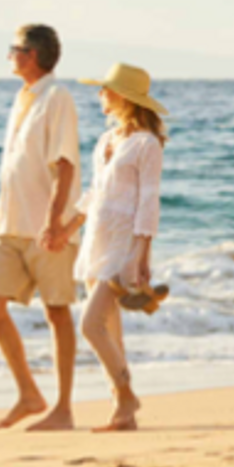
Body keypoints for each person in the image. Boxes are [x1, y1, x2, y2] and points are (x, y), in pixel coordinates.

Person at [0, 23, 82, 431]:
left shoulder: (56, 98)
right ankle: (29, 394)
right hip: (10, 227)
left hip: (47, 228)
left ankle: (63, 408)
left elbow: (65, 165)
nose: (9, 56)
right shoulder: (24, 99)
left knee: (57, 312)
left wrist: (55, 223)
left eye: (14, 49)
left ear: (32, 55)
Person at [72, 63, 168, 433]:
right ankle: (122, 412)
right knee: (110, 331)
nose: (100, 95)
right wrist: (68, 226)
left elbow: (149, 201)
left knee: (90, 325)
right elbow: (96, 192)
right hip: (97, 238)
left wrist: (142, 255)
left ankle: (126, 395)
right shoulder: (105, 140)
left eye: (105, 90)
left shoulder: (147, 144)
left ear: (123, 97)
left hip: (124, 244)